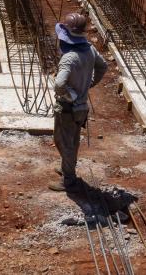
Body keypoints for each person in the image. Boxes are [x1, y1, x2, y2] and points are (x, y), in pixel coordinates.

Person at [49, 13, 108, 192]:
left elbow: (59, 84)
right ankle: (67, 167)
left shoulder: (69, 58)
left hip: (68, 108)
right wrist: (90, 83)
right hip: (81, 107)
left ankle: (69, 180)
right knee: (73, 139)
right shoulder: (90, 50)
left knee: (63, 141)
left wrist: (70, 95)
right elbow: (103, 66)